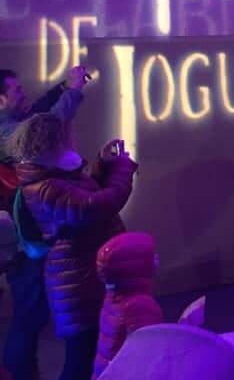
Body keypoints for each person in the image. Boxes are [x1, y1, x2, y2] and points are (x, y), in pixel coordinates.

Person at [8, 113, 137, 380]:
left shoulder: (51, 177)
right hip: (76, 281)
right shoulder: (45, 188)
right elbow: (98, 205)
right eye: (66, 135)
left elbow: (86, 195)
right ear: (52, 141)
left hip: (82, 275)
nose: (72, 138)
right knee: (82, 357)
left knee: (91, 352)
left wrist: (102, 165)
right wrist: (122, 169)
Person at [0, 66, 89, 380]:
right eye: (16, 90)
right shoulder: (6, 133)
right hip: (25, 243)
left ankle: (23, 371)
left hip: (26, 240)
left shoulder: (9, 125)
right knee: (29, 315)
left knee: (33, 314)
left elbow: (37, 112)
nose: (23, 93)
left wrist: (61, 88)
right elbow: (45, 126)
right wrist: (73, 91)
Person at [93, 232, 164, 378]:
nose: (156, 258)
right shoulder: (139, 306)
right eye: (150, 256)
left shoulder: (115, 297)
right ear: (135, 267)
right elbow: (146, 352)